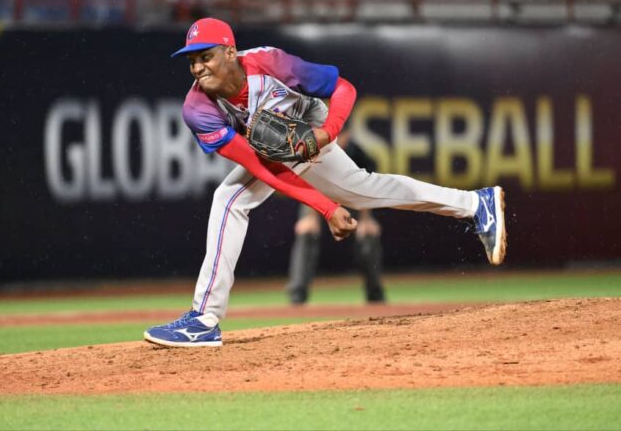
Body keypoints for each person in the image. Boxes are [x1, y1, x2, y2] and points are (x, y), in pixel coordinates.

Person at [143, 18, 507, 348]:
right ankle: (475, 204)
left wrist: (326, 133)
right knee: (355, 189)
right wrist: (327, 207)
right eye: (191, 60)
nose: (197, 67)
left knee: (230, 199)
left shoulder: (271, 63)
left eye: (205, 56)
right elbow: (263, 166)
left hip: (309, 120)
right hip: (275, 148)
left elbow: (343, 87)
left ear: (230, 52)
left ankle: (204, 319)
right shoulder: (198, 110)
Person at [287, 125, 385, 305]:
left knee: (368, 234)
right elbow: (303, 180)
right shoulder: (313, 148)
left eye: (341, 135)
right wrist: (309, 215)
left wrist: (365, 219)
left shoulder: (357, 152)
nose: (337, 140)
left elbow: (367, 186)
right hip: (317, 197)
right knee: (306, 232)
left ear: (348, 135)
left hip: (350, 199)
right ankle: (297, 297)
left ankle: (375, 296)